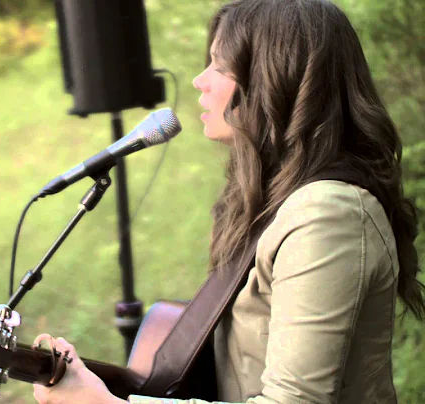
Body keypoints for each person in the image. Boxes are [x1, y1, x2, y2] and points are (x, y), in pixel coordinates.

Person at [32, 0, 424, 403]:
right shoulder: (278, 199)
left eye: (219, 66)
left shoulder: (329, 216)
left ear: (276, 77)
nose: (200, 81)